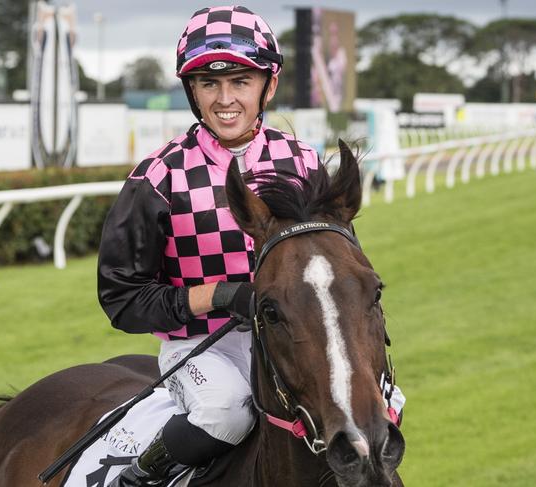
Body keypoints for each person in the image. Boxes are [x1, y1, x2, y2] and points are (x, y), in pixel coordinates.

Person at [98, 6, 403, 487]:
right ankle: (140, 475)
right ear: (191, 91)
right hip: (202, 346)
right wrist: (219, 296)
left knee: (381, 408)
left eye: (240, 81)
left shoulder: (302, 161)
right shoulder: (158, 176)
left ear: (269, 85)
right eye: (208, 84)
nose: (225, 100)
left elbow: (339, 268)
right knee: (225, 412)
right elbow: (121, 298)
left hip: (299, 337)